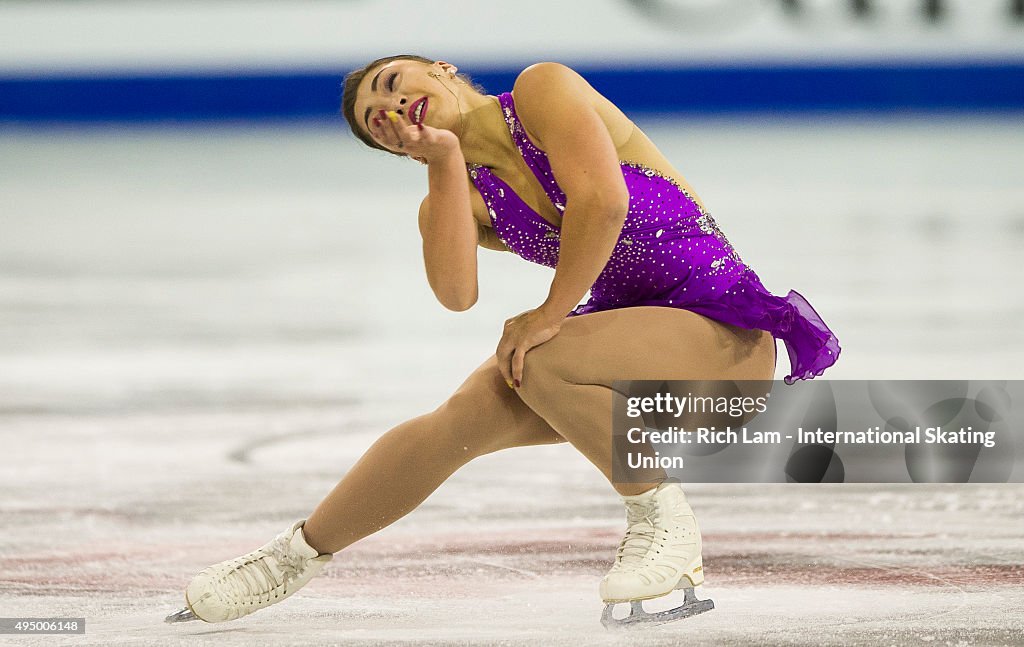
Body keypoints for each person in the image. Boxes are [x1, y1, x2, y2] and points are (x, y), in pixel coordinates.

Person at [167, 55, 841, 628]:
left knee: (536, 352)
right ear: (399, 149)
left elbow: (602, 201)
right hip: (625, 352)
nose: (393, 105)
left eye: (394, 82)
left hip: (724, 338)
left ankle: (663, 520)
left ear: (443, 71)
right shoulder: (451, 195)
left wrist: (550, 310)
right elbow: (456, 293)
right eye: (380, 121)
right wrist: (445, 165)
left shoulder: (543, 89)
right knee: (462, 417)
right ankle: (294, 555)